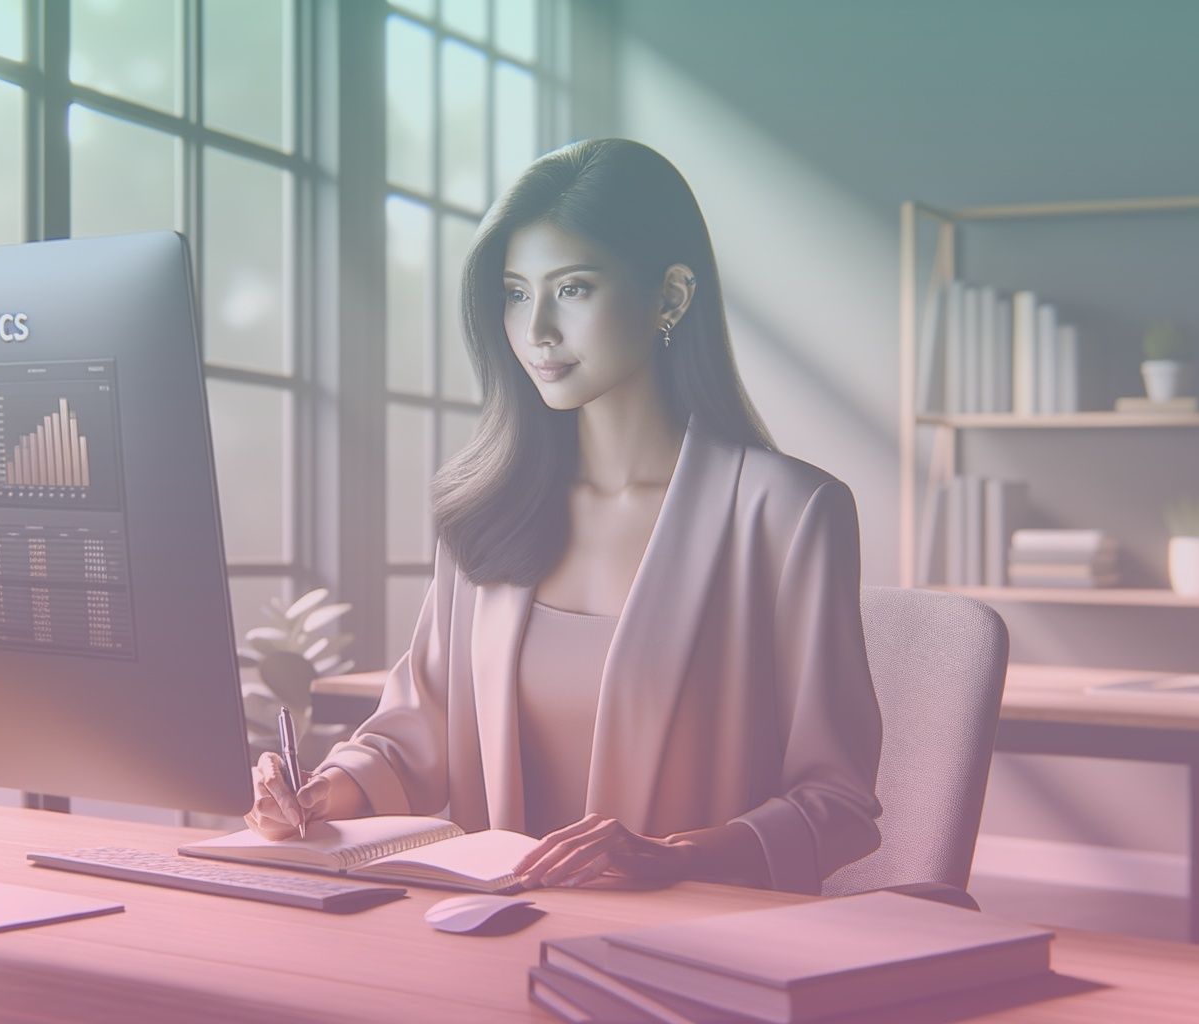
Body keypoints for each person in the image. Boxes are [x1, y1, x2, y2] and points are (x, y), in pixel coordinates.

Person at [246, 138, 882, 895]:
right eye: (517, 292)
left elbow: (836, 803)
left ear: (671, 297)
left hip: (701, 955)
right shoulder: (486, 505)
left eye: (573, 289)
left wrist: (676, 858)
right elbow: (411, 741)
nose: (536, 329)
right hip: (493, 937)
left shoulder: (790, 514)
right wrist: (318, 794)